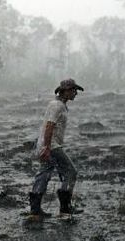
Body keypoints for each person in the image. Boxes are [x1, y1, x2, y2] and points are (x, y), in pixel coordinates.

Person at [28, 78, 84, 219]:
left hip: (47, 145)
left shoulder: (59, 105)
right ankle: (65, 209)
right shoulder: (57, 106)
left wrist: (44, 146)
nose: (75, 93)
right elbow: (49, 126)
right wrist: (47, 148)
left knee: (44, 173)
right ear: (64, 91)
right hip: (52, 146)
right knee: (71, 172)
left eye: (75, 90)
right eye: (73, 90)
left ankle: (35, 210)